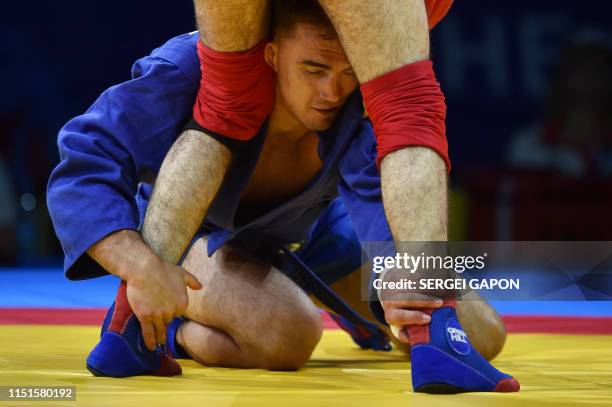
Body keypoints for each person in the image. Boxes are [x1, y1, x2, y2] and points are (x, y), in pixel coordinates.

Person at [48, 0, 518, 393]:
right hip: (200, 241)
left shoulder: (361, 94)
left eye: (346, 71)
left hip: (309, 237)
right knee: (289, 333)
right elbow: (85, 164)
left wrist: (401, 279)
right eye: (313, 69)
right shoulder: (188, 69)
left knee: (480, 330)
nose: (331, 90)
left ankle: (357, 309)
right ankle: (170, 329)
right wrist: (141, 264)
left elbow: (379, 192)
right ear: (271, 54)